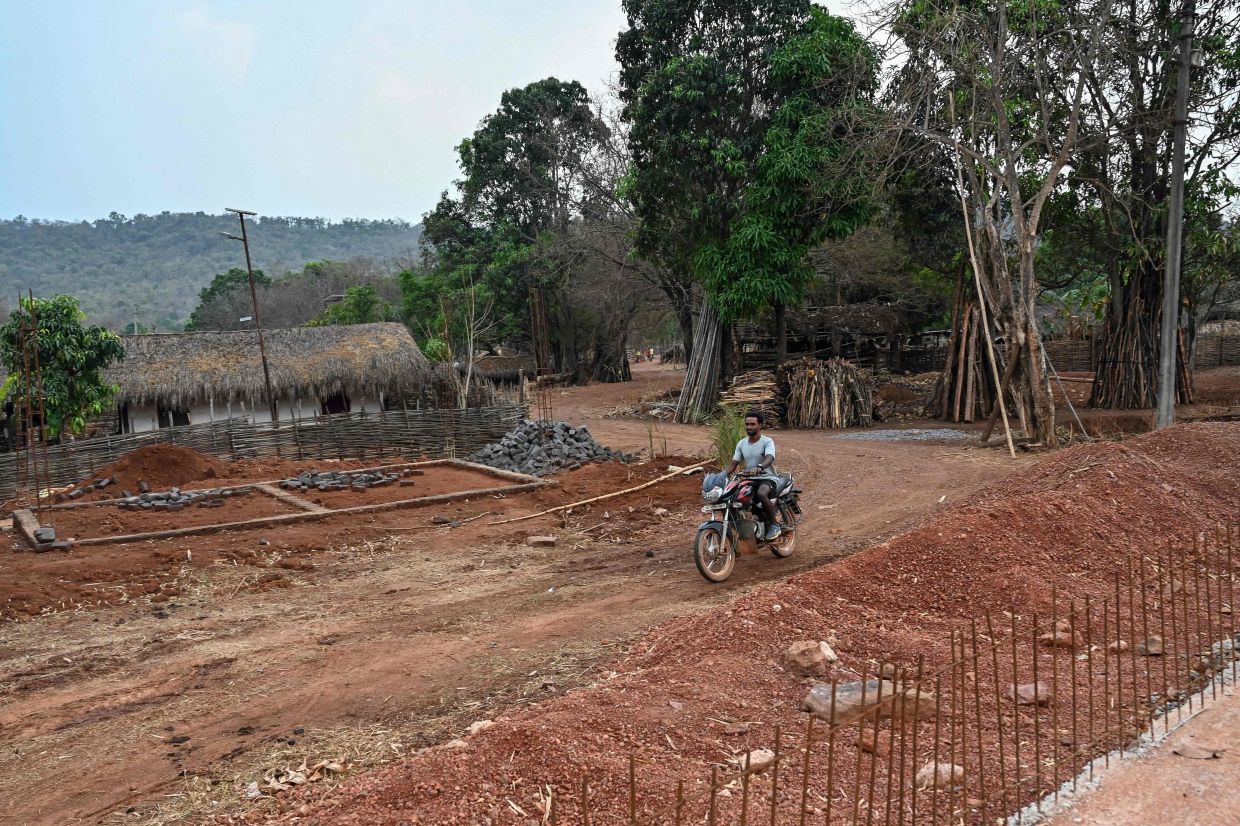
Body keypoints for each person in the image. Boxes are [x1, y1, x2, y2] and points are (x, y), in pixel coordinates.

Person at [723, 410, 782, 540]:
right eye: (747, 424)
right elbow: (733, 464)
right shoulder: (742, 443)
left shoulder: (767, 441)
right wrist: (720, 476)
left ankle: (774, 525)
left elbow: (770, 457)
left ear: (760, 425)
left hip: (767, 478)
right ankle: (740, 530)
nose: (749, 427)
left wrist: (760, 467)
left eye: (752, 424)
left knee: (761, 493)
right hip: (749, 479)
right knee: (732, 498)